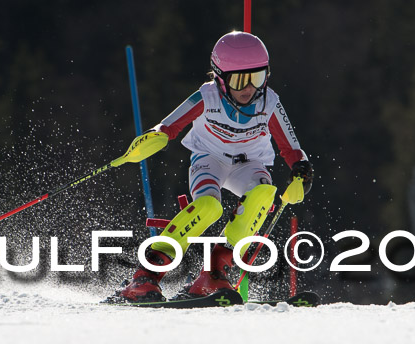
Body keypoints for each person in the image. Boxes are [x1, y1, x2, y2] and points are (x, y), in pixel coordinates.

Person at [114, 31, 313, 302]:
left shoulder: (270, 102)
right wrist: (155, 136)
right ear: (220, 78)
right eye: (240, 80)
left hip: (250, 164)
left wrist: (301, 170)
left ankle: (214, 273)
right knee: (209, 205)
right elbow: (169, 126)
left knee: (265, 194)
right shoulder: (207, 97)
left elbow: (291, 148)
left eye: (258, 77)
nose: (249, 88)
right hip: (210, 159)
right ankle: (146, 275)